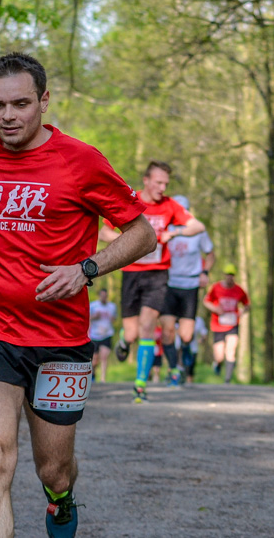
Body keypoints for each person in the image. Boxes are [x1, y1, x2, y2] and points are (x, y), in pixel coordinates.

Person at [0, 53, 155, 538]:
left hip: (61, 340)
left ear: (44, 101)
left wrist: (86, 269)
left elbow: (142, 233)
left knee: (53, 470)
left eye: (20, 104)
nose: (8, 116)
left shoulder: (81, 161)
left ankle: (60, 503)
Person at [101, 162, 205, 403]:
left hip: (158, 274)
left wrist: (175, 232)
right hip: (131, 272)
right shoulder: (131, 200)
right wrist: (124, 239)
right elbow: (103, 232)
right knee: (132, 331)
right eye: (158, 183)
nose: (162, 187)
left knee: (148, 325)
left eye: (166, 184)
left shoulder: (170, 205)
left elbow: (197, 226)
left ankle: (140, 385)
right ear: (146, 181)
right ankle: (125, 341)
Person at [160, 195, 215, 385]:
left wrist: (205, 272)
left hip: (190, 285)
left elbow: (210, 254)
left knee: (186, 335)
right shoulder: (164, 230)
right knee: (167, 331)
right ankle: (174, 369)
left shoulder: (197, 232)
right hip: (168, 283)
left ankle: (186, 355)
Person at [203, 264, 251, 384]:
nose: (230, 277)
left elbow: (247, 305)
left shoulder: (239, 290)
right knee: (219, 355)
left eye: (232, 275)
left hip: (232, 324)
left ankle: (228, 379)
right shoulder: (216, 288)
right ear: (224, 275)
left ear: (234, 276)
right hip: (218, 325)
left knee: (231, 350)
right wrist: (215, 309)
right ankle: (218, 364)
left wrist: (242, 311)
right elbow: (206, 301)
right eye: (228, 275)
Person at [88, 288, 116, 383]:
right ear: (99, 296)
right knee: (95, 359)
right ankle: (93, 373)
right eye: (102, 295)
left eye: (105, 296)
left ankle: (103, 378)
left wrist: (112, 318)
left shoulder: (112, 306)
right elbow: (87, 318)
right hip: (95, 335)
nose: (104, 297)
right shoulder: (93, 306)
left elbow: (114, 319)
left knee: (104, 357)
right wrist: (94, 317)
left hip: (107, 334)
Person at [185, 315, 209, 383]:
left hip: (193, 347)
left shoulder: (199, 320)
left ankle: (189, 383)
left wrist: (202, 339)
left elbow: (204, 332)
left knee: (191, 367)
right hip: (180, 347)